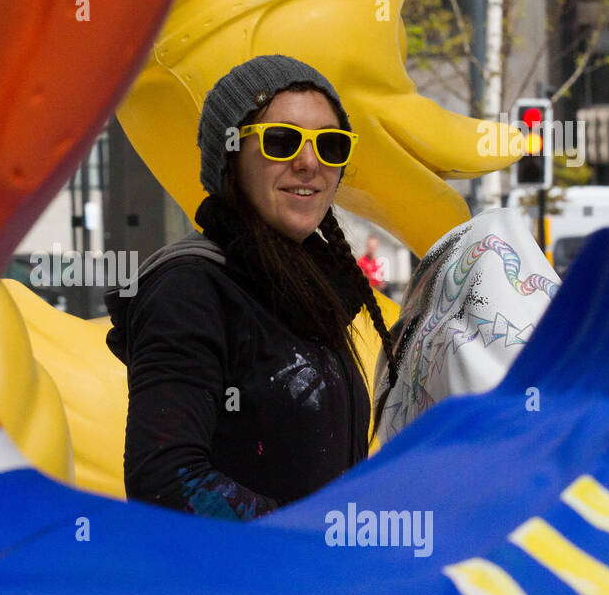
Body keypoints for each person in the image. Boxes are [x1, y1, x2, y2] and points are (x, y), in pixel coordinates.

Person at [106, 55, 398, 520]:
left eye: (330, 145)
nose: (309, 163)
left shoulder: (312, 291)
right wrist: (302, 541)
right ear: (231, 160)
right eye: (281, 142)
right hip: (235, 589)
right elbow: (165, 479)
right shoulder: (190, 289)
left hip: (314, 588)